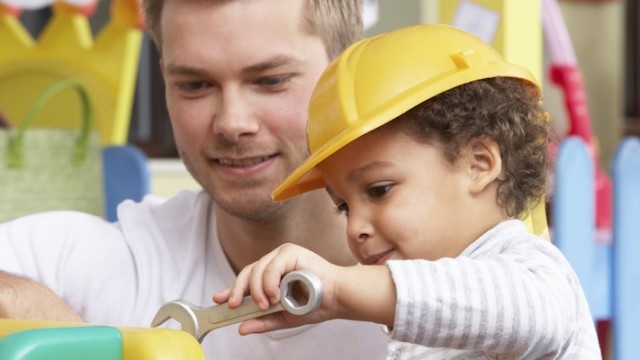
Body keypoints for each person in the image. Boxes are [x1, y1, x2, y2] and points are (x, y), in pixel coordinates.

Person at [0, 0, 389, 358]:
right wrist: (36, 312)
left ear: (345, 74)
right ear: (165, 78)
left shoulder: (440, 279)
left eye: (270, 80)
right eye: (195, 85)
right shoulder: (122, 257)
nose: (232, 123)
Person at [214, 24, 602, 359]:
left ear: (479, 164)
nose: (355, 229)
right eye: (344, 207)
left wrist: (336, 289)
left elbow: (524, 311)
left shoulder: (532, 271)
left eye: (379, 190)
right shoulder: (431, 307)